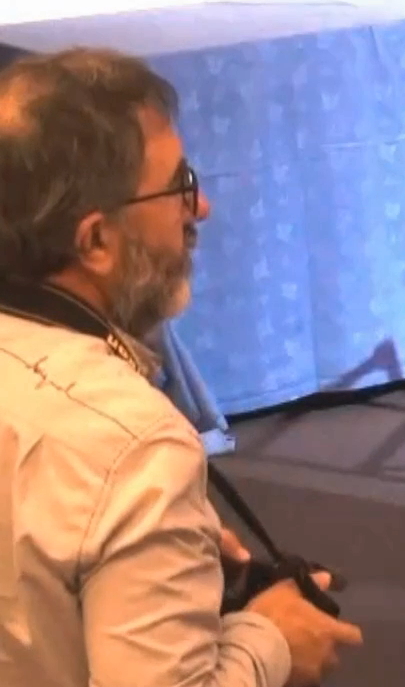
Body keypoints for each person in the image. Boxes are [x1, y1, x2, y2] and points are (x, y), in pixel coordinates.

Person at [0, 48, 363, 687]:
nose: (201, 208)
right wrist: (272, 638)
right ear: (96, 241)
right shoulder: (134, 448)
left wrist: (149, 545)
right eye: (180, 185)